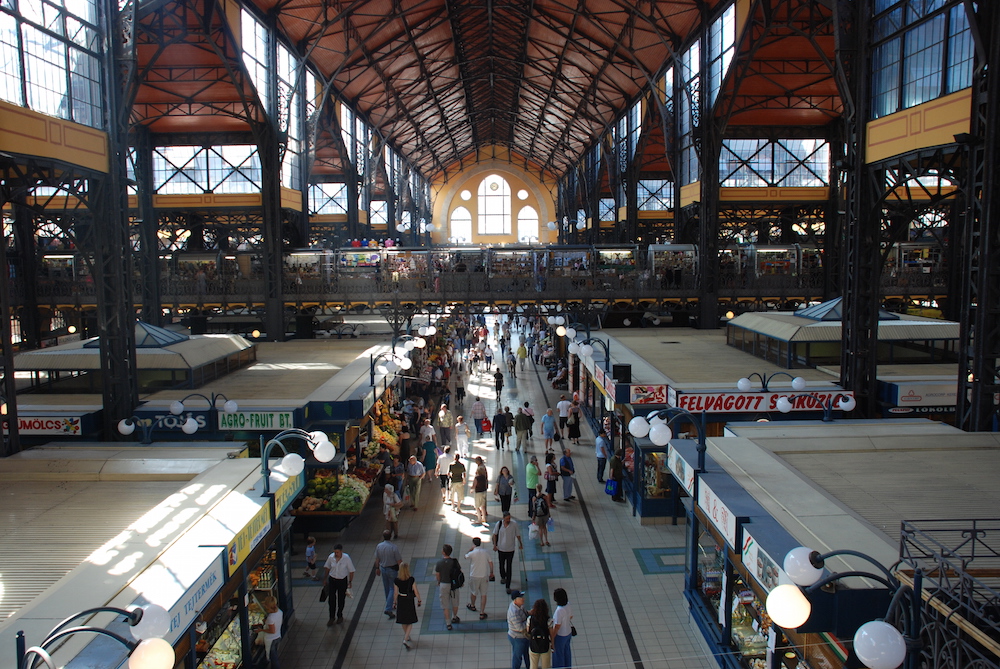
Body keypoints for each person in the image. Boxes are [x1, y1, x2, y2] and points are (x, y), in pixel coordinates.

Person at [322, 544, 355, 625]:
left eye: (337, 552)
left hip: (342, 581)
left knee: (341, 599)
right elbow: (327, 568)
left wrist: (350, 581)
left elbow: (351, 571)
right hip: (332, 580)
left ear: (341, 551)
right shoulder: (331, 557)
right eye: (335, 552)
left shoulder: (346, 558)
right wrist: (325, 578)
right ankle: (331, 617)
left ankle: (340, 615)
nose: (336, 554)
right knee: (331, 599)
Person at [374, 530, 403, 618]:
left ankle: (389, 603)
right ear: (390, 536)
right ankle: (388, 608)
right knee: (392, 588)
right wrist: (402, 570)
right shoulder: (393, 547)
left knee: (386, 587)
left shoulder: (379, 546)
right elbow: (399, 560)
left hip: (383, 569)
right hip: (392, 570)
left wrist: (377, 568)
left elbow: (377, 559)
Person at [493, 512, 523, 593]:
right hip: (501, 548)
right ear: (503, 518)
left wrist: (520, 543)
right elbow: (495, 534)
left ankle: (508, 586)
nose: (508, 520)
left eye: (509, 518)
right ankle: (503, 577)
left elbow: (518, 535)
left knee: (509, 566)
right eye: (507, 519)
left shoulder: (514, 525)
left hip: (510, 549)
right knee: (501, 564)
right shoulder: (498, 524)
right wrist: (495, 545)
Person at [465, 537, 495, 619]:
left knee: (474, 592)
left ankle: (473, 605)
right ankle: (482, 613)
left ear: (473, 544)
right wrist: (491, 572)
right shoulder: (485, 552)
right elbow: (490, 563)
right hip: (484, 576)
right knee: (483, 594)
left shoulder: (472, 553)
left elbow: (465, 556)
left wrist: (470, 549)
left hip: (474, 576)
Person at [393, 562, 421, 650]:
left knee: (403, 620)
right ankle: (405, 639)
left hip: (401, 600)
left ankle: (407, 635)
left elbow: (395, 593)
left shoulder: (396, 580)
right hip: (409, 600)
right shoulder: (411, 579)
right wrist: (419, 600)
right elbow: (416, 591)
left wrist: (394, 602)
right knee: (410, 620)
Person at [435, 544, 462, 630]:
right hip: (453, 585)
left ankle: (448, 623)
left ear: (443, 552)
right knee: (455, 602)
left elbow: (437, 575)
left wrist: (439, 581)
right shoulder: (454, 562)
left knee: (445, 604)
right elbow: (459, 572)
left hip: (444, 584)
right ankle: (455, 617)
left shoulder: (439, 563)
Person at [254, 595, 282, 668]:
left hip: (271, 640)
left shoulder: (271, 617)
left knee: (273, 659)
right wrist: (267, 622)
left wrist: (261, 630)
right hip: (278, 636)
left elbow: (272, 630)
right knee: (274, 656)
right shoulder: (279, 612)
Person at [508, 591, 531, 669]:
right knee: (517, 657)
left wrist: (530, 613)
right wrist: (529, 622)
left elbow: (525, 614)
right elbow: (520, 628)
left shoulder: (520, 606)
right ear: (515, 600)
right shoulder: (513, 612)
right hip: (517, 638)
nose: (523, 599)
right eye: (521, 598)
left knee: (528, 655)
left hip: (524, 636)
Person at [551, 588, 573, 668]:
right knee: (567, 652)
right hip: (568, 632)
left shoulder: (559, 611)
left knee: (558, 655)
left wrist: (552, 638)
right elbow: (571, 616)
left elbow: (557, 626)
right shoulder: (568, 604)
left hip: (560, 635)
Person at [527, 598, 552, 669]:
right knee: (546, 666)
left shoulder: (530, 619)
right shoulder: (548, 620)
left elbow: (528, 631)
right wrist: (553, 644)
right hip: (545, 645)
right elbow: (551, 634)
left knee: (533, 666)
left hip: (533, 645)